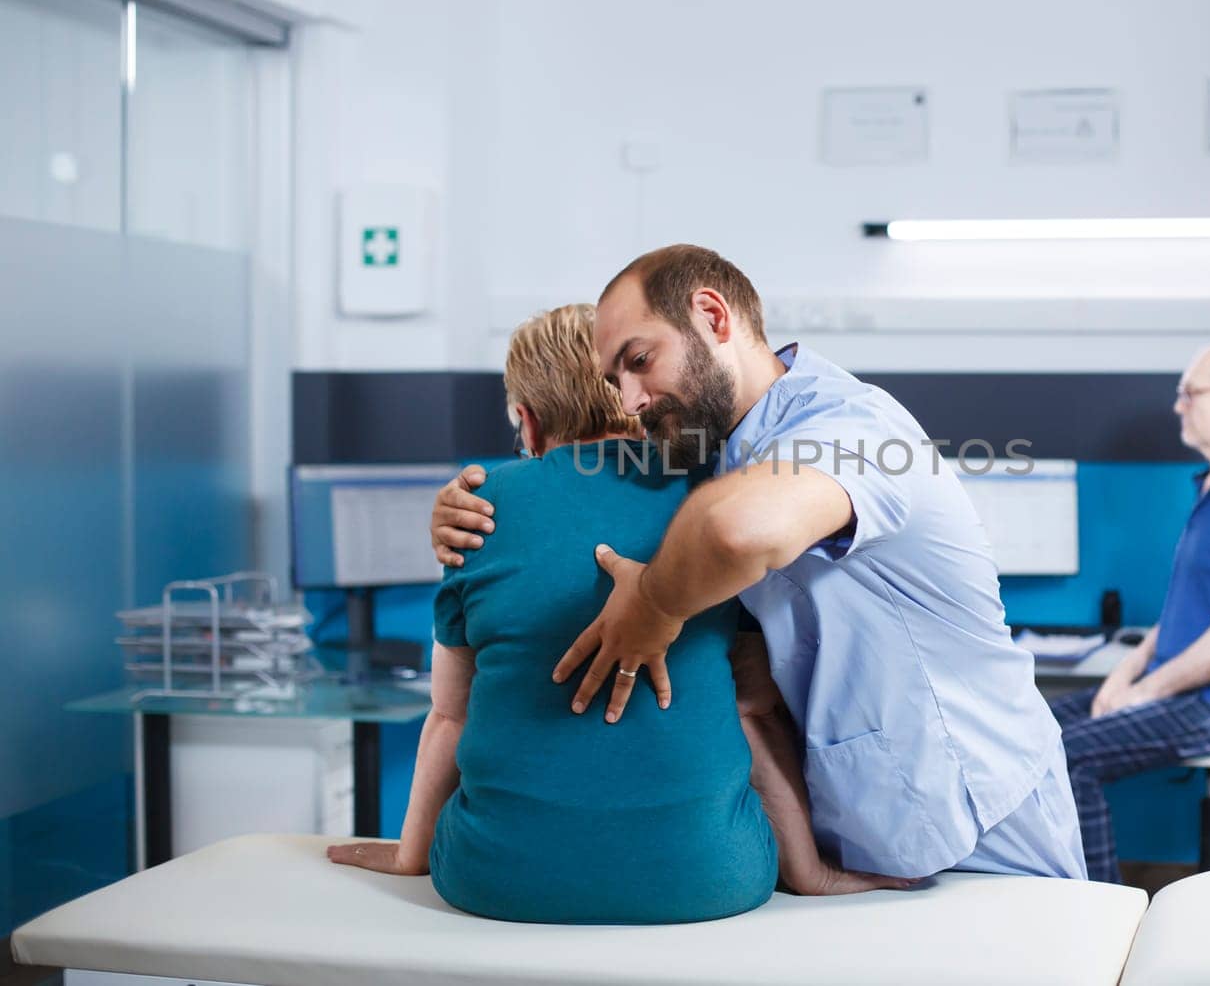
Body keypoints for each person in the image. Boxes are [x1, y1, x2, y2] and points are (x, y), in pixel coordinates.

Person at [431, 244, 1086, 882]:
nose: (629, 399)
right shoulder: (719, 448)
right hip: (868, 829)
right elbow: (592, 483)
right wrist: (461, 506)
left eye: (640, 360)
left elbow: (738, 528)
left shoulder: (854, 428)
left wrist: (654, 606)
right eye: (613, 381)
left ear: (714, 318)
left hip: (980, 825)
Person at [326, 304, 778, 924]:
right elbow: (755, 709)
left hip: (493, 883)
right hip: (718, 882)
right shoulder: (714, 494)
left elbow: (450, 714)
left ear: (528, 423)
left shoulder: (476, 510)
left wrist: (412, 855)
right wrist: (809, 871)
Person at [1048, 344, 1210, 882]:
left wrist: (1143, 692)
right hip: (1183, 692)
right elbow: (1178, 614)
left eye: (1190, 393)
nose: (1179, 407)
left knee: (1068, 759)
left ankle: (1102, 913)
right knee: (1036, 728)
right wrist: (1122, 674)